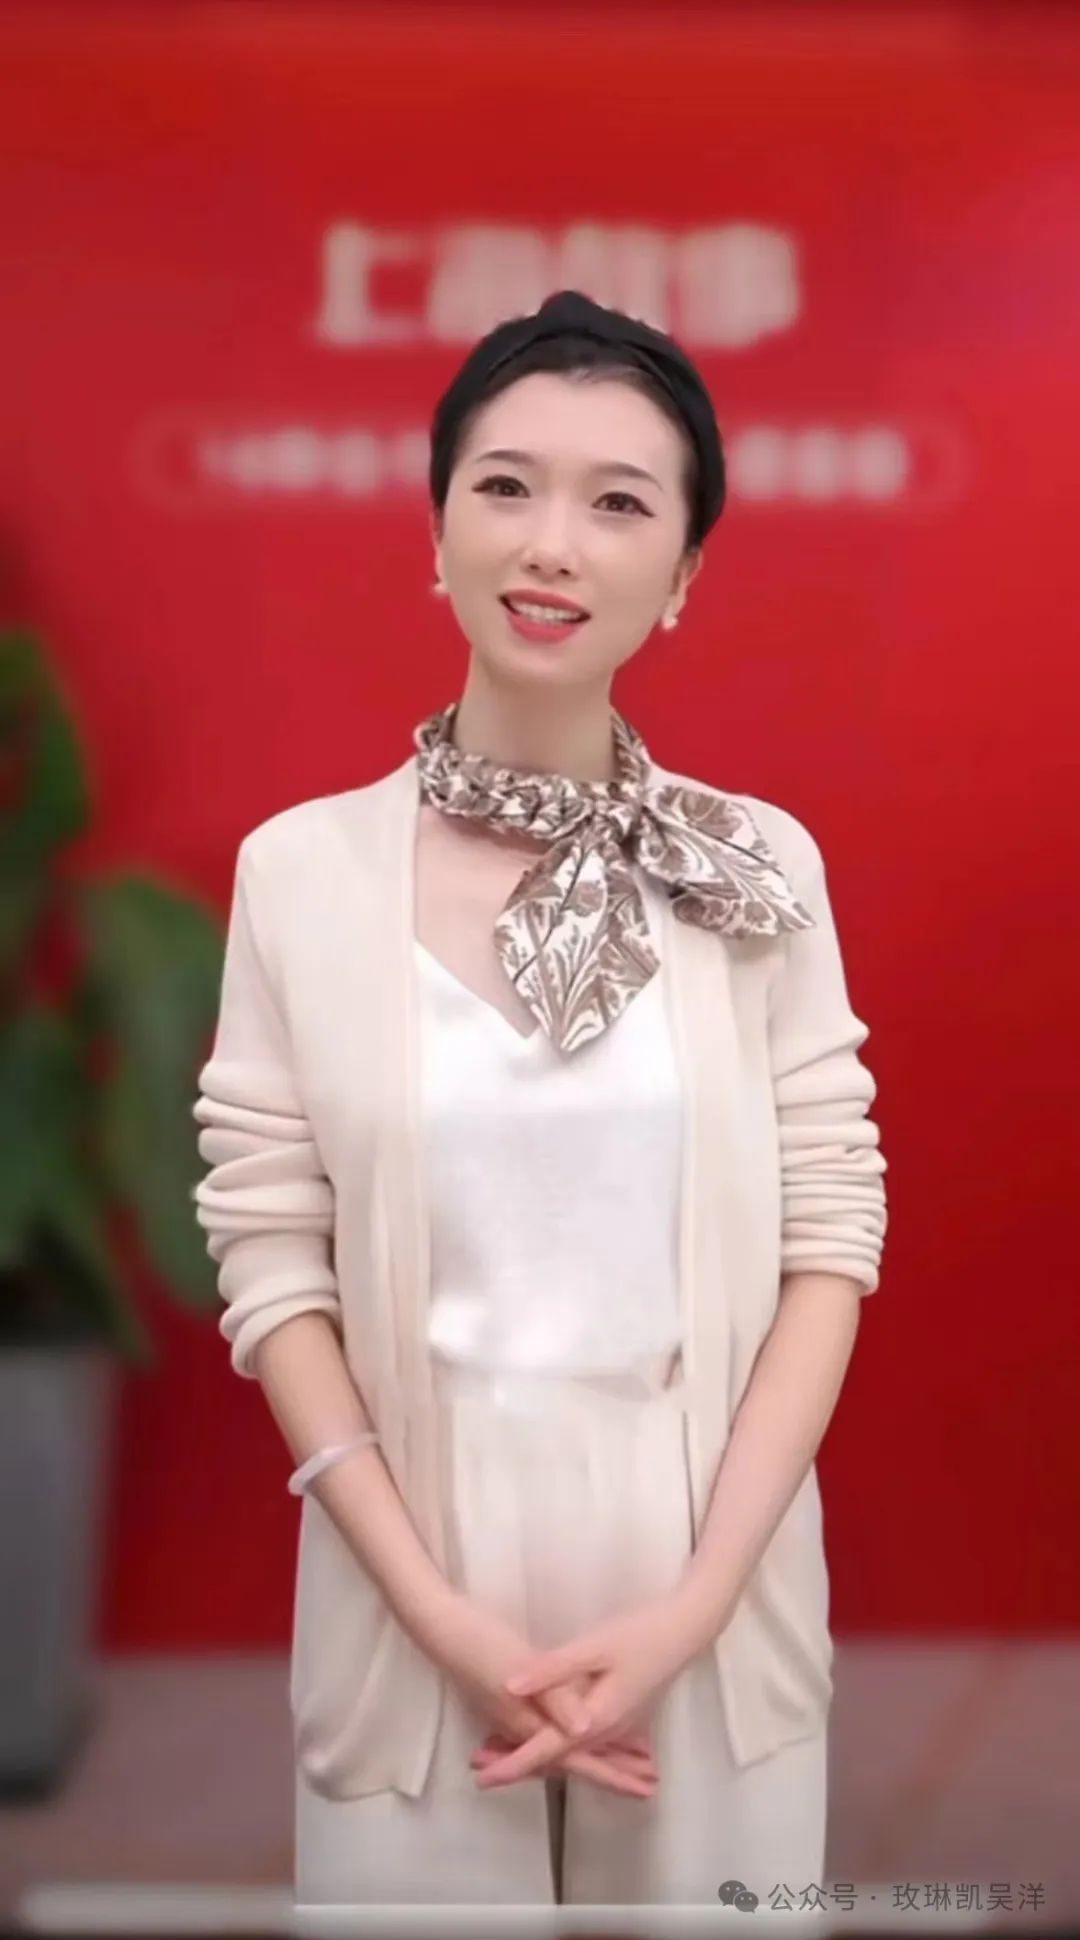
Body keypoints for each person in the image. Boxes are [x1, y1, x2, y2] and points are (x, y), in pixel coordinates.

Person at [192, 290, 889, 1912]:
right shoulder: (300, 874)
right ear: (436, 532)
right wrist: (439, 1615)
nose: (550, 544)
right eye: (504, 486)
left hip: (705, 1550)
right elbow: (271, 1260)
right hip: (413, 1555)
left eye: (619, 503)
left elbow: (830, 1235)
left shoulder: (754, 867)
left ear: (686, 573)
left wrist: (698, 1604)